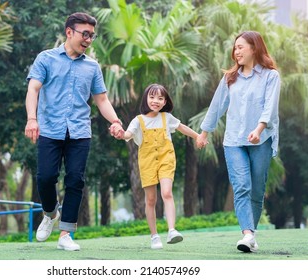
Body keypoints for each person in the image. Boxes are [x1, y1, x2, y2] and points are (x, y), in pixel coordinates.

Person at [24, 12, 124, 251]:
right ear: (69, 32)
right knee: (46, 177)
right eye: (84, 34)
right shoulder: (46, 59)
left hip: (80, 130)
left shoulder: (92, 66)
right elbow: (33, 90)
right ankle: (50, 212)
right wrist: (31, 119)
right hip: (49, 128)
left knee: (75, 181)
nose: (88, 39)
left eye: (92, 35)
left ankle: (65, 234)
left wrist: (116, 121)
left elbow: (101, 100)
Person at [196, 31, 280, 253]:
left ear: (254, 48)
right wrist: (204, 133)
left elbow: (270, 107)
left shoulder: (271, 76)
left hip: (260, 140)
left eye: (241, 47)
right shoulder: (230, 78)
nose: (237, 51)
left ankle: (251, 234)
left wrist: (259, 129)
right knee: (241, 185)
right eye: (235, 48)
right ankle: (247, 234)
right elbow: (216, 106)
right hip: (233, 140)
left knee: (256, 189)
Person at [121, 84, 200, 249]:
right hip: (147, 161)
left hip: (166, 159)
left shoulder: (166, 117)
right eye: (152, 97)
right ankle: (154, 236)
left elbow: (181, 127)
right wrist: (120, 133)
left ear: (165, 102)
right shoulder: (138, 120)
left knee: (166, 192)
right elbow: (128, 134)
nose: (155, 101)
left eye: (160, 98)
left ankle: (172, 230)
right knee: (151, 200)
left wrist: (197, 136)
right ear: (146, 99)